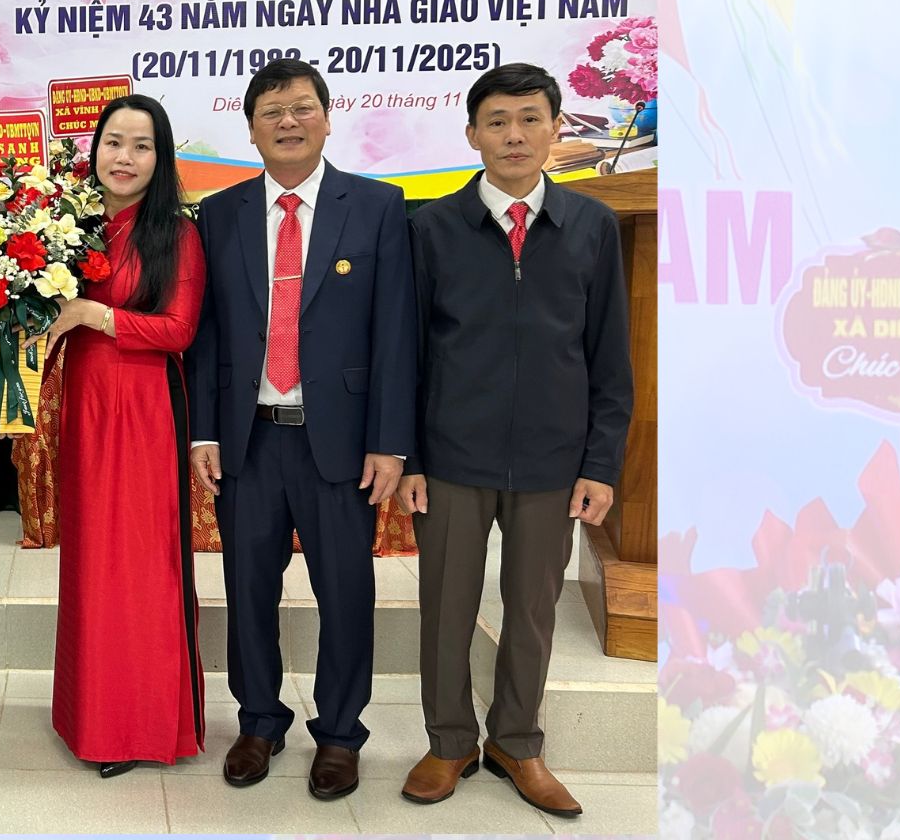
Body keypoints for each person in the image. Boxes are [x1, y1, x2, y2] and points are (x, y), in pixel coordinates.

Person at [396, 63, 632, 817]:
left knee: (532, 611)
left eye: (531, 119)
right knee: (446, 608)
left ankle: (517, 743)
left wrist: (600, 464)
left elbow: (610, 359)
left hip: (552, 463)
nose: (515, 135)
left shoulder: (591, 226)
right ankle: (448, 742)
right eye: (497, 122)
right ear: (472, 134)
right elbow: (407, 355)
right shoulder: (431, 227)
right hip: (450, 459)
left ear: (557, 128)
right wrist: (411, 458)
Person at [187, 58, 416, 798]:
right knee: (247, 589)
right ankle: (259, 721)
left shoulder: (378, 206)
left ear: (326, 117)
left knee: (346, 593)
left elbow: (396, 333)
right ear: (251, 129)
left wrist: (389, 440)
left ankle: (341, 733)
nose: (288, 121)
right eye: (272, 112)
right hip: (247, 439)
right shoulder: (219, 214)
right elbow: (208, 333)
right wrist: (202, 432)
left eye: (302, 107)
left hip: (341, 444)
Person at [43, 95, 208, 778]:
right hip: (84, 406)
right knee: (90, 562)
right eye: (114, 142)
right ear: (95, 150)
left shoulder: (177, 233)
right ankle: (89, 716)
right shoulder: (65, 226)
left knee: (138, 565)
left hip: (144, 412)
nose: (125, 158)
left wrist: (96, 314)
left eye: (142, 146)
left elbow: (179, 330)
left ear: (160, 159)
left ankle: (140, 724)